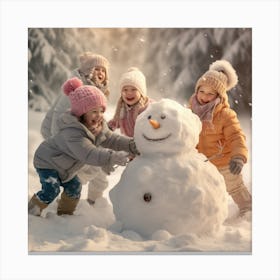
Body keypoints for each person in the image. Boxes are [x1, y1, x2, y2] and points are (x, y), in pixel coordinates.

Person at [28, 77, 139, 217]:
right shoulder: (72, 132)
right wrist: (112, 157)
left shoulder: (97, 127)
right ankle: (31, 212)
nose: (99, 116)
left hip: (65, 167)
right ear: (81, 113)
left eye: (101, 111)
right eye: (94, 112)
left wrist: (132, 145)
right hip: (48, 162)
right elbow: (89, 154)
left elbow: (112, 139)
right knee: (52, 189)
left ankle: (65, 216)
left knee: (74, 187)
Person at [40, 52, 111, 205]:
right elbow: (59, 116)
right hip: (59, 134)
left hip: (78, 135)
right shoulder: (76, 89)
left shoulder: (97, 90)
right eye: (96, 69)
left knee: (97, 167)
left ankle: (93, 202)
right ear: (87, 71)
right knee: (79, 169)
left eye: (103, 70)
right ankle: (61, 201)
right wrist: (61, 144)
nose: (100, 73)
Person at [188, 60, 252, 217]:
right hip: (201, 162)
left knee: (235, 187)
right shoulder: (190, 111)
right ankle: (205, 213)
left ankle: (248, 209)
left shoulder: (225, 114)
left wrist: (238, 156)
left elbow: (236, 136)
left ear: (219, 96)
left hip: (224, 161)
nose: (204, 96)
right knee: (202, 188)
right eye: (201, 91)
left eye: (210, 94)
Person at [108, 67, 153, 137]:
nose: (129, 93)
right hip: (129, 142)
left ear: (141, 92)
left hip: (146, 141)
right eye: (125, 90)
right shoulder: (122, 106)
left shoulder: (148, 106)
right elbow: (117, 122)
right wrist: (107, 128)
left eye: (133, 89)